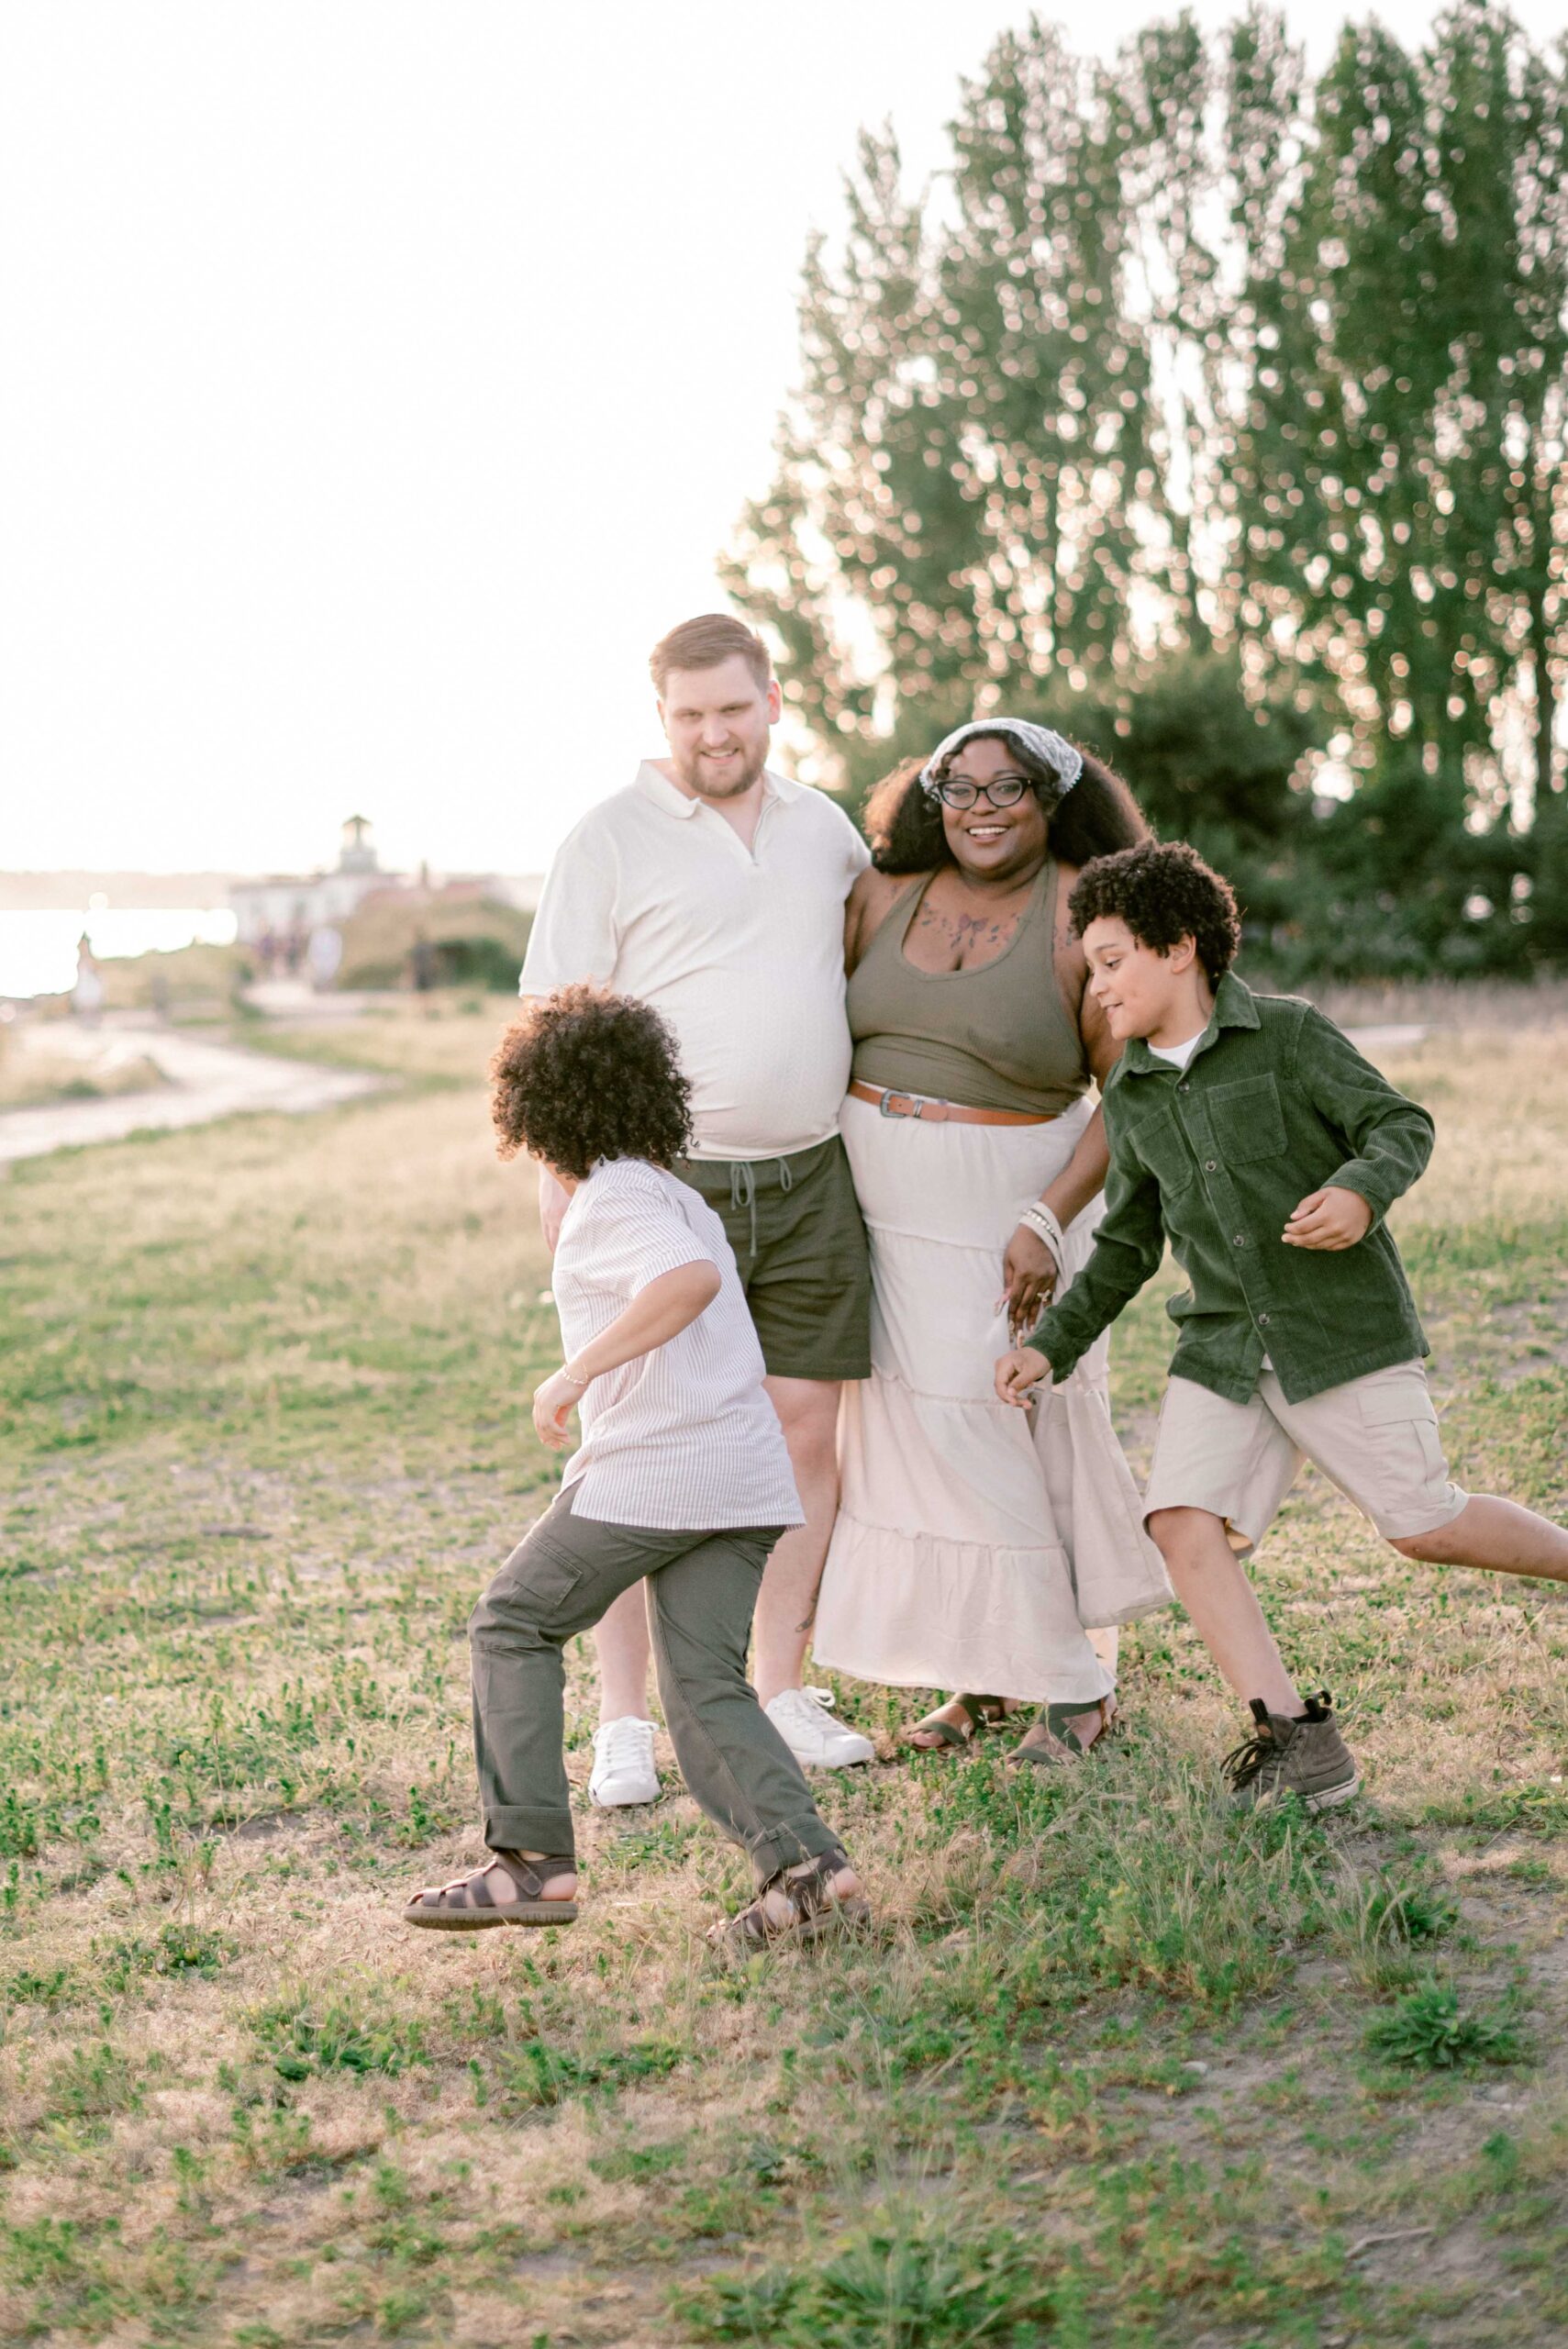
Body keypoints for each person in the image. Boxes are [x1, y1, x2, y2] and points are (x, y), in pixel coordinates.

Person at [996, 841, 1568, 1808]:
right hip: (1220, 1346)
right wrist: (1049, 1344)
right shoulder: (1128, 1098)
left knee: (1422, 1525)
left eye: (1109, 962)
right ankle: (1297, 1742)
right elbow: (1129, 1245)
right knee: (1179, 1526)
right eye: (1088, 970)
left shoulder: (1291, 1036)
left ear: (1178, 948)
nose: (1096, 991)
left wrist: (1357, 1192)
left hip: (1334, 1328)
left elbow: (1399, 1126)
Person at [401, 987, 869, 1948]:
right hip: (739, 1479)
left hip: (662, 1473)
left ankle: (529, 1861)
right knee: (703, 1690)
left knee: (513, 1620)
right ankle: (807, 1867)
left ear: (538, 1113)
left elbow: (686, 1284)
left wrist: (573, 1372)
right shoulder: (672, 1192)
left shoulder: (613, 1196)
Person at [517, 614, 876, 1804]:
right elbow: (549, 1029)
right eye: (689, 715)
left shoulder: (825, 829)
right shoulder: (607, 838)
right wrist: (563, 1202)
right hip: (663, 1187)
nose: (714, 733)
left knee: (804, 1438)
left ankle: (780, 1684)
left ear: (773, 700)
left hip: (814, 1172)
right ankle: (623, 1721)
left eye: (734, 708)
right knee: (637, 1451)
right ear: (661, 717)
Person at [812, 721, 1172, 1768]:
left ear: (1051, 795)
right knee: (920, 1448)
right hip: (878, 1210)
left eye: (1006, 786)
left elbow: (1129, 1089)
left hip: (1010, 1207)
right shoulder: (883, 895)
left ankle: (1077, 1689)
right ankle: (983, 1684)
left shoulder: (1085, 912)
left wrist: (1046, 1218)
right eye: (955, 786)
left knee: (1004, 1421)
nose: (979, 805)